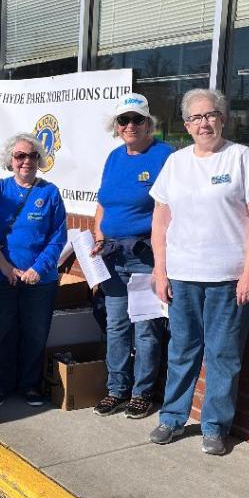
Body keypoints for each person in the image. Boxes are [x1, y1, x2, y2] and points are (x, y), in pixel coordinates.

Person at [149, 88, 249, 456]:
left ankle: (215, 426)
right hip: (183, 275)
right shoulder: (176, 162)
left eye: (211, 115)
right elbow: (160, 221)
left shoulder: (240, 157)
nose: (205, 123)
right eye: (196, 117)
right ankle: (172, 418)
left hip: (228, 277)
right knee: (182, 350)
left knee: (223, 354)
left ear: (223, 118)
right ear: (186, 125)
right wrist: (161, 270)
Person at [90, 94, 173, 419]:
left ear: (148, 123)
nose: (130, 126)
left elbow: (172, 208)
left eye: (137, 120)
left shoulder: (165, 155)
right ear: (117, 126)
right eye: (123, 121)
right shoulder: (114, 157)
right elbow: (103, 203)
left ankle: (143, 392)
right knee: (116, 325)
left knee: (147, 327)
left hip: (144, 255)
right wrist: (99, 234)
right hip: (111, 255)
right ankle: (116, 389)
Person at [0, 133, 67, 407]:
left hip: (40, 280)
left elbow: (58, 237)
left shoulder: (49, 193)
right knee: (1, 332)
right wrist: (6, 268)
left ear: (39, 160)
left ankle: (29, 385)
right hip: (3, 277)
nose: (26, 161)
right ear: (10, 161)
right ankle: (0, 385)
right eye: (20, 156)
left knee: (35, 333)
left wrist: (38, 269)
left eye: (32, 156)